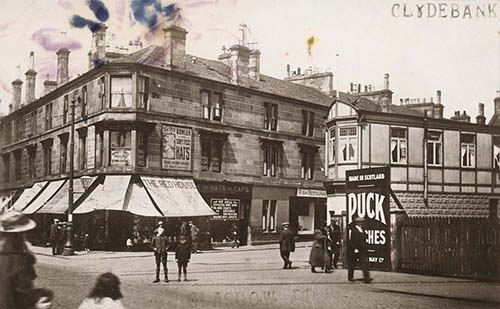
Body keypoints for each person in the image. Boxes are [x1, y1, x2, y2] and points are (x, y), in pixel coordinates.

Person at [0, 211, 54, 309]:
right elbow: (17, 296)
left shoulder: (9, 256)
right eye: (24, 233)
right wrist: (37, 302)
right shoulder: (17, 260)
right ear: (19, 235)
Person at [347, 217, 373, 283]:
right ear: (358, 223)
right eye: (361, 222)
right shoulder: (354, 230)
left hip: (362, 249)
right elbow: (351, 241)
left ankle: (366, 278)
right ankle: (350, 277)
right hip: (355, 250)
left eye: (363, 222)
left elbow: (364, 240)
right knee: (352, 264)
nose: (363, 223)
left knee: (364, 263)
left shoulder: (362, 230)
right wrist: (355, 248)